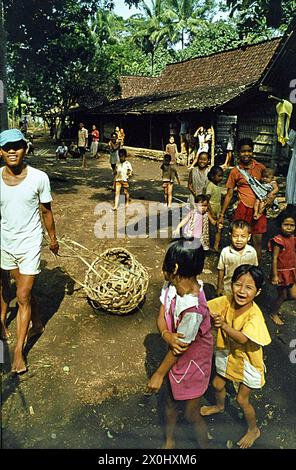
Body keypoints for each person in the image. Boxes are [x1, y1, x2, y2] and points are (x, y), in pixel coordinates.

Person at [0, 129, 59, 373]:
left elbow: (46, 211)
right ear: (1, 151)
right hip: (6, 242)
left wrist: (53, 239)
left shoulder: (39, 178)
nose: (12, 150)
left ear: (25, 148)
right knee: (9, 286)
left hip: (30, 243)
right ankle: (36, 322)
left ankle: (18, 352)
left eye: (17, 145)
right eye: (7, 147)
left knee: (22, 295)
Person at [147, 238, 213, 449]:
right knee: (170, 403)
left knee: (192, 414)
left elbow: (180, 347)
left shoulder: (193, 309)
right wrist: (166, 334)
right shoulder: (172, 286)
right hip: (175, 361)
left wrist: (158, 373)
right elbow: (161, 314)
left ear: (174, 268)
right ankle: (169, 441)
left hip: (193, 364)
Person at [202, 264, 271, 449]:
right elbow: (206, 307)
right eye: (238, 285)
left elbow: (241, 338)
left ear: (257, 292)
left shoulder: (255, 316)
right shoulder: (227, 301)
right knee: (217, 384)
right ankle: (220, 406)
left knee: (241, 400)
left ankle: (253, 429)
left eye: (249, 288)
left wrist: (223, 326)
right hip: (228, 353)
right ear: (230, 285)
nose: (241, 291)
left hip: (248, 360)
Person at [218, 138, 266, 262]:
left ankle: (256, 271)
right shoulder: (235, 172)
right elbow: (229, 194)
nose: (246, 154)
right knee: (240, 241)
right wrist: (222, 214)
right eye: (243, 151)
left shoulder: (260, 168)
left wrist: (268, 202)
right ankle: (237, 268)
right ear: (238, 153)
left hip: (258, 210)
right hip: (242, 209)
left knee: (257, 241)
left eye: (249, 151)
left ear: (252, 151)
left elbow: (268, 187)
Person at [268, 210, 296, 325]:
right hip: (280, 272)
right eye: (286, 225)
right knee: (282, 295)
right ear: (280, 225)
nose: (289, 228)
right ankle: (274, 313)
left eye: (292, 225)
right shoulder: (278, 240)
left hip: (291, 271)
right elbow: (274, 258)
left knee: (293, 295)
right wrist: (274, 276)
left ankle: (276, 305)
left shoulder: (293, 239)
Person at [216, 220, 258, 296]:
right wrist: (219, 287)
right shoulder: (225, 252)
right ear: (230, 235)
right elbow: (221, 270)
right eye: (235, 236)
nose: (239, 240)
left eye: (243, 236)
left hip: (245, 288)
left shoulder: (252, 252)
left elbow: (255, 270)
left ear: (249, 237)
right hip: (228, 288)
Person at [206, 166, 224, 251]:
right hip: (211, 209)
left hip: (218, 209)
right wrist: (211, 212)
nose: (221, 178)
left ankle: (216, 246)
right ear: (213, 176)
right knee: (209, 228)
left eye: (222, 176)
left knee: (219, 228)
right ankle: (207, 245)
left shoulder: (218, 186)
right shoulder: (210, 186)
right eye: (219, 176)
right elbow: (207, 200)